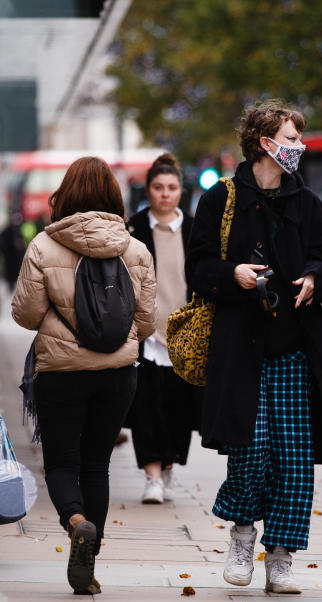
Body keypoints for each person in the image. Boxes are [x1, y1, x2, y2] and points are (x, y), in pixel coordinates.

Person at [186, 100, 322, 594]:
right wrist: (233, 274)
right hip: (240, 348)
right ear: (265, 144)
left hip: (295, 349)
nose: (298, 148)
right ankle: (243, 534)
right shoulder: (220, 200)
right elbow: (198, 268)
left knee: (293, 454)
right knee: (250, 447)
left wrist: (314, 277)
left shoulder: (306, 204)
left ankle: (281, 554)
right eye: (290, 139)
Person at [11, 157, 157, 595]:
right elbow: (147, 323)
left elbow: (25, 313)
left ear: (65, 195)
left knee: (61, 462)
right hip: (117, 373)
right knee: (97, 463)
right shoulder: (136, 249)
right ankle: (88, 568)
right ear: (114, 196)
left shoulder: (43, 246)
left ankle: (76, 522)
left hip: (60, 371)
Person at [125, 153, 201, 504]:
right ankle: (152, 475)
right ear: (149, 189)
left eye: (171, 187)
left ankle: (168, 466)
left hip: (186, 332)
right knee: (146, 406)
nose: (165, 194)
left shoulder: (197, 229)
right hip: (145, 333)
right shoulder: (134, 228)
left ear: (180, 190)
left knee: (179, 408)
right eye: (158, 187)